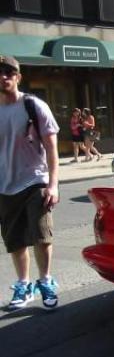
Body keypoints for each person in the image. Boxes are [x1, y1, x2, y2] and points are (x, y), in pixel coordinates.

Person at [0, 55, 60, 310]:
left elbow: (51, 147)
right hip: (4, 184)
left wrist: (53, 184)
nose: (4, 77)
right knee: (15, 240)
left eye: (9, 72)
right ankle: (23, 286)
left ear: (18, 77)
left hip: (36, 180)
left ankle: (45, 280)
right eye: (0, 73)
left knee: (42, 235)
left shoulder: (33, 105)